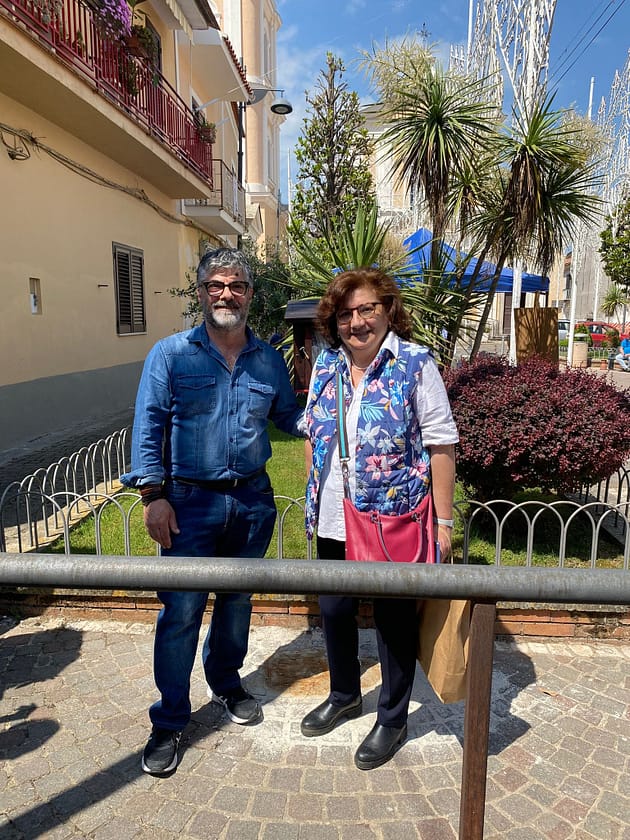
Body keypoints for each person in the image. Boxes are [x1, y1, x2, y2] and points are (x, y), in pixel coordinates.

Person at [121, 247, 305, 776]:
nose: (227, 294)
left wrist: (333, 410)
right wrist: (152, 496)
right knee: (180, 612)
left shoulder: (268, 360)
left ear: (250, 294)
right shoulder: (171, 355)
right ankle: (170, 719)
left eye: (237, 285)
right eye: (216, 286)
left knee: (237, 603)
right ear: (201, 292)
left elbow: (289, 417)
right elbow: (149, 424)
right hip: (188, 503)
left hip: (251, 501)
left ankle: (225, 684)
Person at [301, 267, 458, 771]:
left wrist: (444, 522)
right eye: (345, 314)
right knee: (334, 609)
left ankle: (392, 717)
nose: (357, 322)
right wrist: (312, 497)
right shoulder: (326, 365)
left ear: (388, 309)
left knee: (393, 619)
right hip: (334, 513)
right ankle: (345, 693)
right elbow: (312, 435)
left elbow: (441, 443)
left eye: (367, 309)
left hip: (391, 517)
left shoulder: (414, 364)